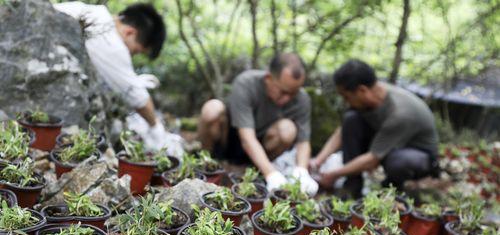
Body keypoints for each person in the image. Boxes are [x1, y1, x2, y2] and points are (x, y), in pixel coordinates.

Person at [53, 2, 176, 152]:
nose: (131, 55)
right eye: (135, 51)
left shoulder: (95, 13)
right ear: (130, 32)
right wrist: (156, 128)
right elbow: (139, 99)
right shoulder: (110, 42)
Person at [311, 59, 439, 198]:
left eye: (346, 97)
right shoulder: (366, 96)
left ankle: (393, 190)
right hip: (385, 142)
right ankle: (353, 185)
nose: (345, 101)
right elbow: (342, 132)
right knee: (351, 119)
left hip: (418, 156)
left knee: (397, 162)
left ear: (362, 90)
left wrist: (334, 175)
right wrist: (318, 161)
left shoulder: (400, 113)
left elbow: (372, 160)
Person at [198, 53, 318, 195]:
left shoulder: (302, 99)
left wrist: (302, 172)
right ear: (268, 79)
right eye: (284, 92)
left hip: (259, 152)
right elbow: (247, 139)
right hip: (230, 140)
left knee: (288, 130)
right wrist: (272, 174)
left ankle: (250, 171)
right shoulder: (246, 83)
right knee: (211, 109)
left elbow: (303, 142)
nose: (288, 99)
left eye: (294, 93)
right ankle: (207, 163)